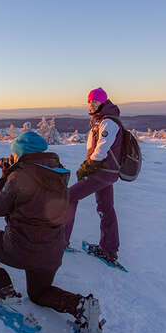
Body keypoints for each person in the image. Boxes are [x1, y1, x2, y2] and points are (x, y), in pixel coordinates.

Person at [0, 131, 104, 333]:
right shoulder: (59, 175)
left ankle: (3, 290)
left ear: (21, 154)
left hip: (21, 249)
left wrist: (4, 177)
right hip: (52, 253)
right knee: (39, 294)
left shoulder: (20, 176)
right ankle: (80, 305)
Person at [64, 87, 122, 263]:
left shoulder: (108, 122)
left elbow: (101, 150)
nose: (92, 104)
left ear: (103, 102)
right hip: (106, 172)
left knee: (68, 197)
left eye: (95, 101)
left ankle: (60, 241)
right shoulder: (101, 120)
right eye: (90, 101)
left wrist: (87, 167)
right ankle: (109, 250)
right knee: (105, 208)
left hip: (102, 172)